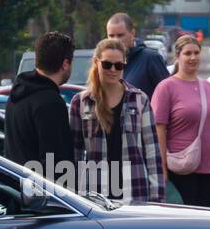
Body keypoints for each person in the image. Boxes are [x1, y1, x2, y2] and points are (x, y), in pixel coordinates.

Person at [68, 38, 165, 204]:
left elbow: (152, 153)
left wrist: (157, 199)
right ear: (96, 63)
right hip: (94, 197)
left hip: (135, 193)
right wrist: (72, 196)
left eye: (119, 65)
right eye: (107, 64)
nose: (113, 70)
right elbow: (74, 155)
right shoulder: (81, 102)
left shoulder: (140, 99)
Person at [152, 35, 210, 208]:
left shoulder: (209, 87)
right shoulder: (166, 87)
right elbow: (159, 129)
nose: (193, 57)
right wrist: (162, 168)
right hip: (182, 169)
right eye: (188, 53)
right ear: (178, 57)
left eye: (196, 53)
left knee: (209, 221)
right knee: (186, 224)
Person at [5, 31, 75, 180]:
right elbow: (57, 163)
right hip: (43, 197)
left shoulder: (16, 94)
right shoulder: (51, 103)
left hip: (18, 189)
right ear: (65, 64)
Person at [105, 12, 170, 100]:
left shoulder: (151, 59)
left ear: (132, 33)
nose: (116, 40)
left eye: (120, 35)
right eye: (111, 36)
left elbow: (169, 95)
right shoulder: (104, 64)